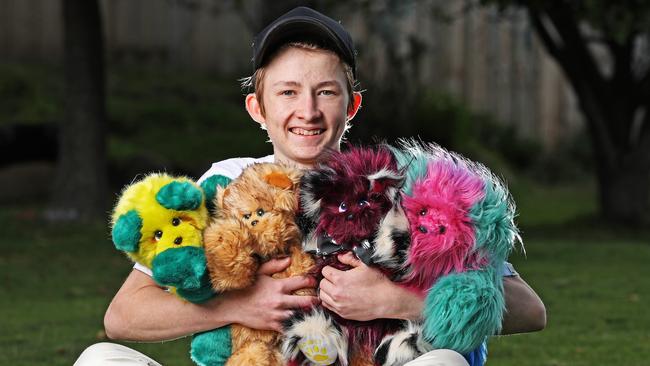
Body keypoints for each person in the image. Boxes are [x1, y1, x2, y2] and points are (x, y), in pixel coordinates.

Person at [75, 6, 545, 366]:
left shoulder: (403, 185)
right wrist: (240, 306)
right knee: (100, 360)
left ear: (352, 105)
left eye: (326, 92)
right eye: (287, 92)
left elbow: (529, 309)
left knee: (443, 362)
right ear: (257, 109)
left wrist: (394, 300)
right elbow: (123, 316)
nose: (308, 111)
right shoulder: (225, 183)